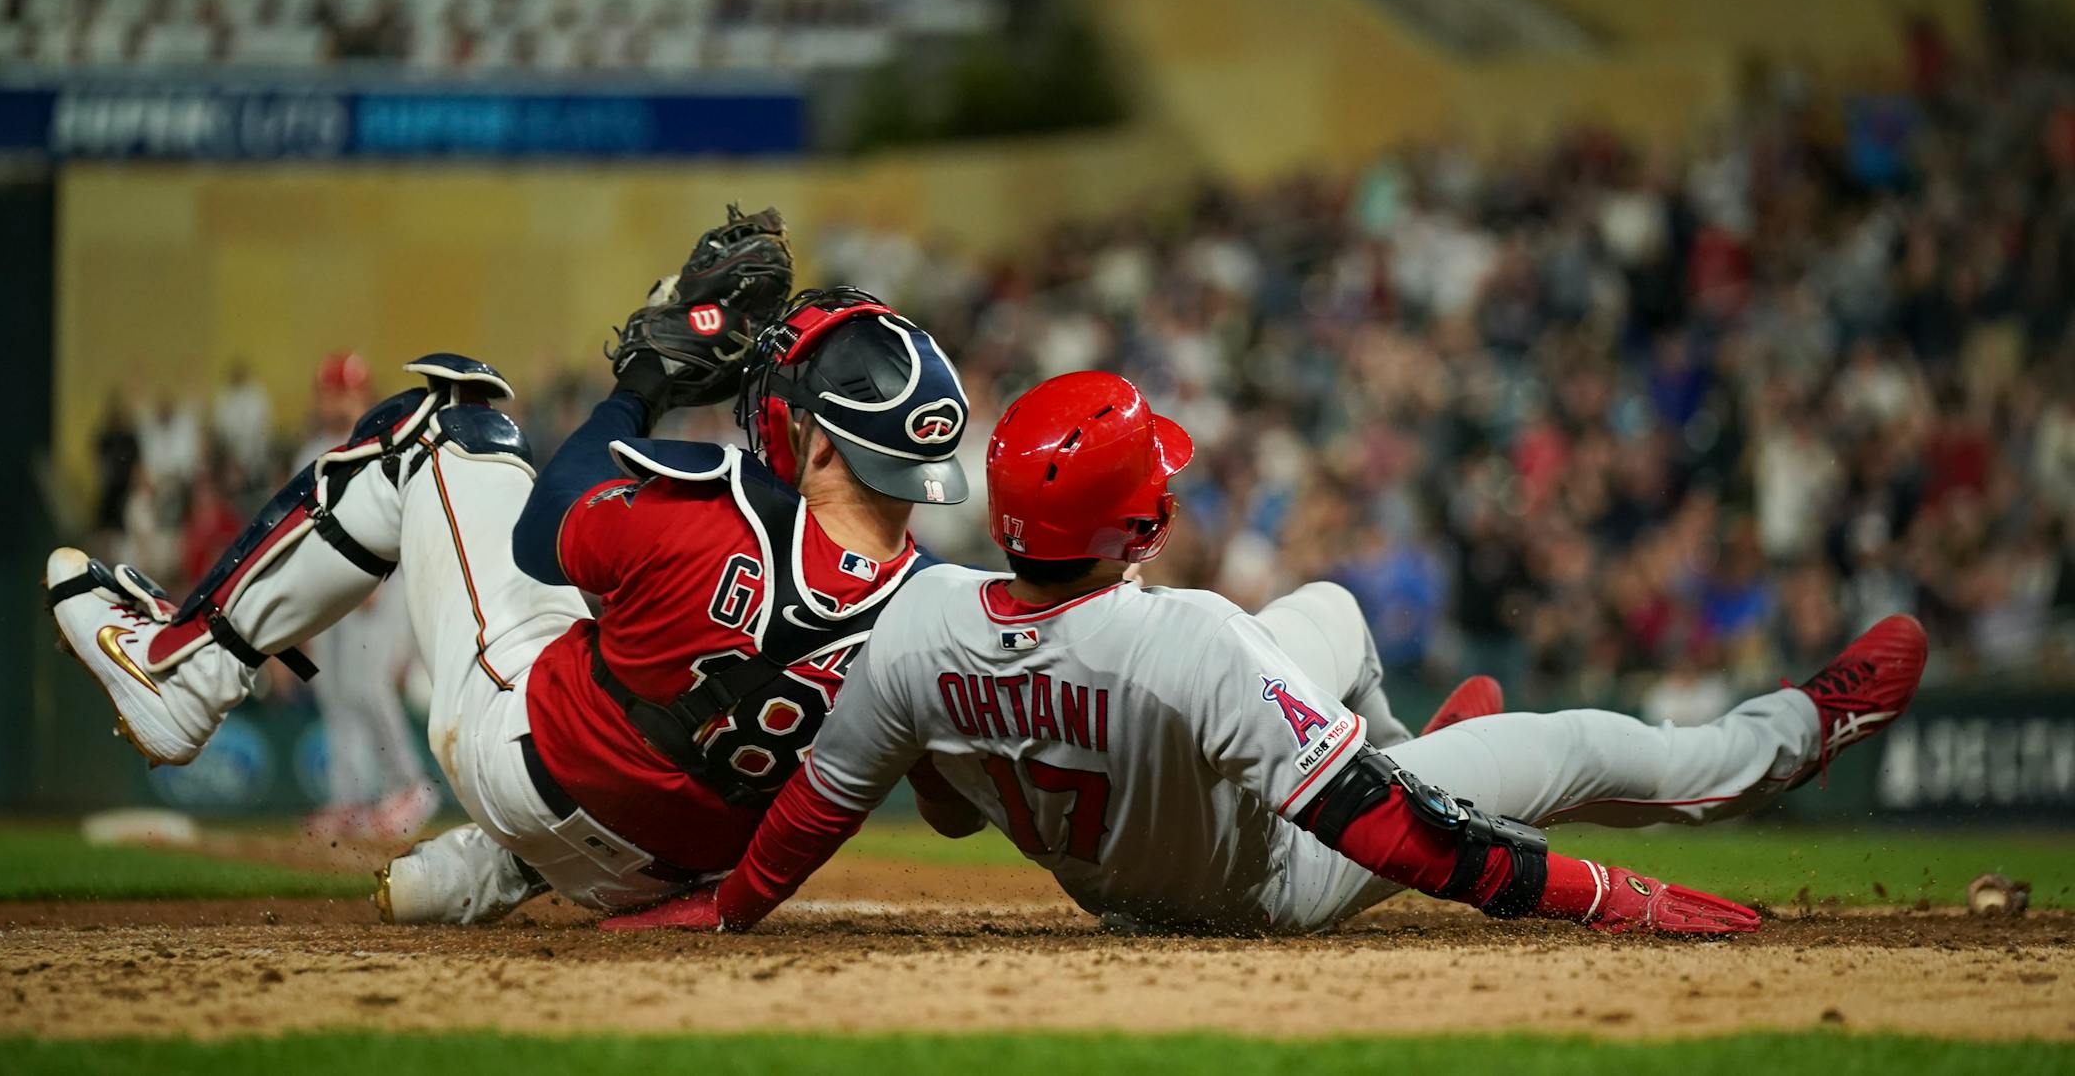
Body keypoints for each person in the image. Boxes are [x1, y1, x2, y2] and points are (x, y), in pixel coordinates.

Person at [607, 371, 1927, 938]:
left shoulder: (921, 617)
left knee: (1334, 606)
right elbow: (1403, 845)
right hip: (1263, 877)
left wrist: (722, 908)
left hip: (1117, 850)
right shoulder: (1194, 641)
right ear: (1145, 516)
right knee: (1582, 742)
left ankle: (1402, 735)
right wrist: (1606, 891)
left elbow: (808, 818)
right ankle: (1793, 737)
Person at [47, 209, 969, 924]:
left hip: (532, 771)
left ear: (817, 445)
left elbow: (541, 532)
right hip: (677, 871)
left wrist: (640, 384)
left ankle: (186, 671)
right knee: (660, 686)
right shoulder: (936, 610)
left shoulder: (723, 505)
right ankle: (490, 871)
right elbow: (952, 812)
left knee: (444, 425)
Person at [293, 351, 437, 843]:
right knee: (333, 694)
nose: (337, 399)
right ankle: (348, 799)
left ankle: (410, 786)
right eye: (330, 390)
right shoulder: (309, 450)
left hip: (377, 584)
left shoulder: (381, 444)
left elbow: (398, 519)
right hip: (326, 591)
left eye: (346, 390)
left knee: (369, 687)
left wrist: (376, 577)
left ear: (362, 394)